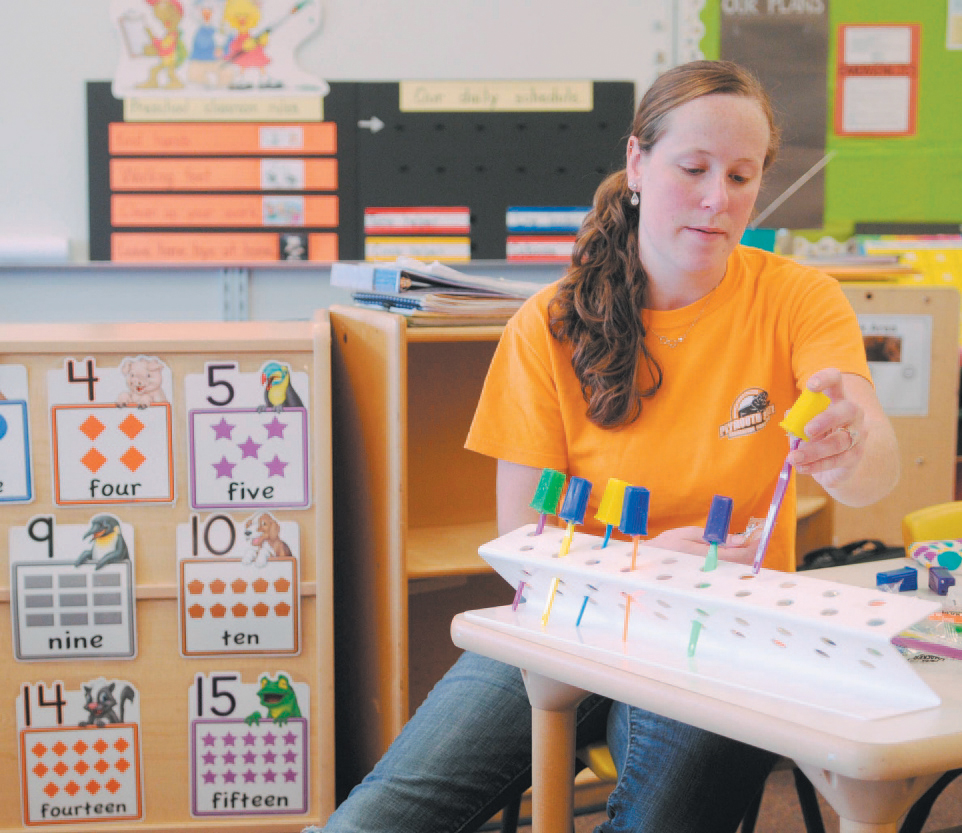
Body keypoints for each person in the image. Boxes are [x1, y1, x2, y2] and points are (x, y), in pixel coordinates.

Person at [316, 59, 899, 833]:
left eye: (741, 175)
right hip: (566, 618)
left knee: (660, 816)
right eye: (691, 168)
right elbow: (520, 536)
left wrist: (850, 443)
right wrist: (651, 563)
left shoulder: (798, 296)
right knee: (375, 820)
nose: (715, 199)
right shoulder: (548, 325)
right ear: (635, 161)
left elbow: (870, 473)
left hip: (721, 635)